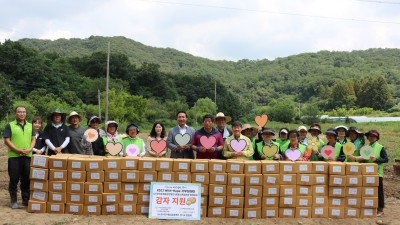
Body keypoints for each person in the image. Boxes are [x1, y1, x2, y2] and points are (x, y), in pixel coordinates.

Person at [3, 106, 36, 208]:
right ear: (15, 114)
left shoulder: (30, 126)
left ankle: (25, 200)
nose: (22, 114)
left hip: (27, 156)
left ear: (26, 113)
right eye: (19, 112)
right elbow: (7, 140)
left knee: (26, 179)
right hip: (14, 157)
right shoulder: (10, 125)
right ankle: (13, 201)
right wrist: (18, 150)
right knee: (14, 178)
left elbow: (33, 139)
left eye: (24, 112)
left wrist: (30, 149)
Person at [364, 130, 388, 217]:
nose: (371, 138)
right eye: (369, 136)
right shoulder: (366, 147)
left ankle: (380, 209)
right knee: (369, 191)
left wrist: (376, 160)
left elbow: (386, 159)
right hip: (367, 173)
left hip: (377, 173)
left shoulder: (380, 147)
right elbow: (364, 158)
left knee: (379, 192)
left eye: (373, 136)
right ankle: (370, 207)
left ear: (377, 138)